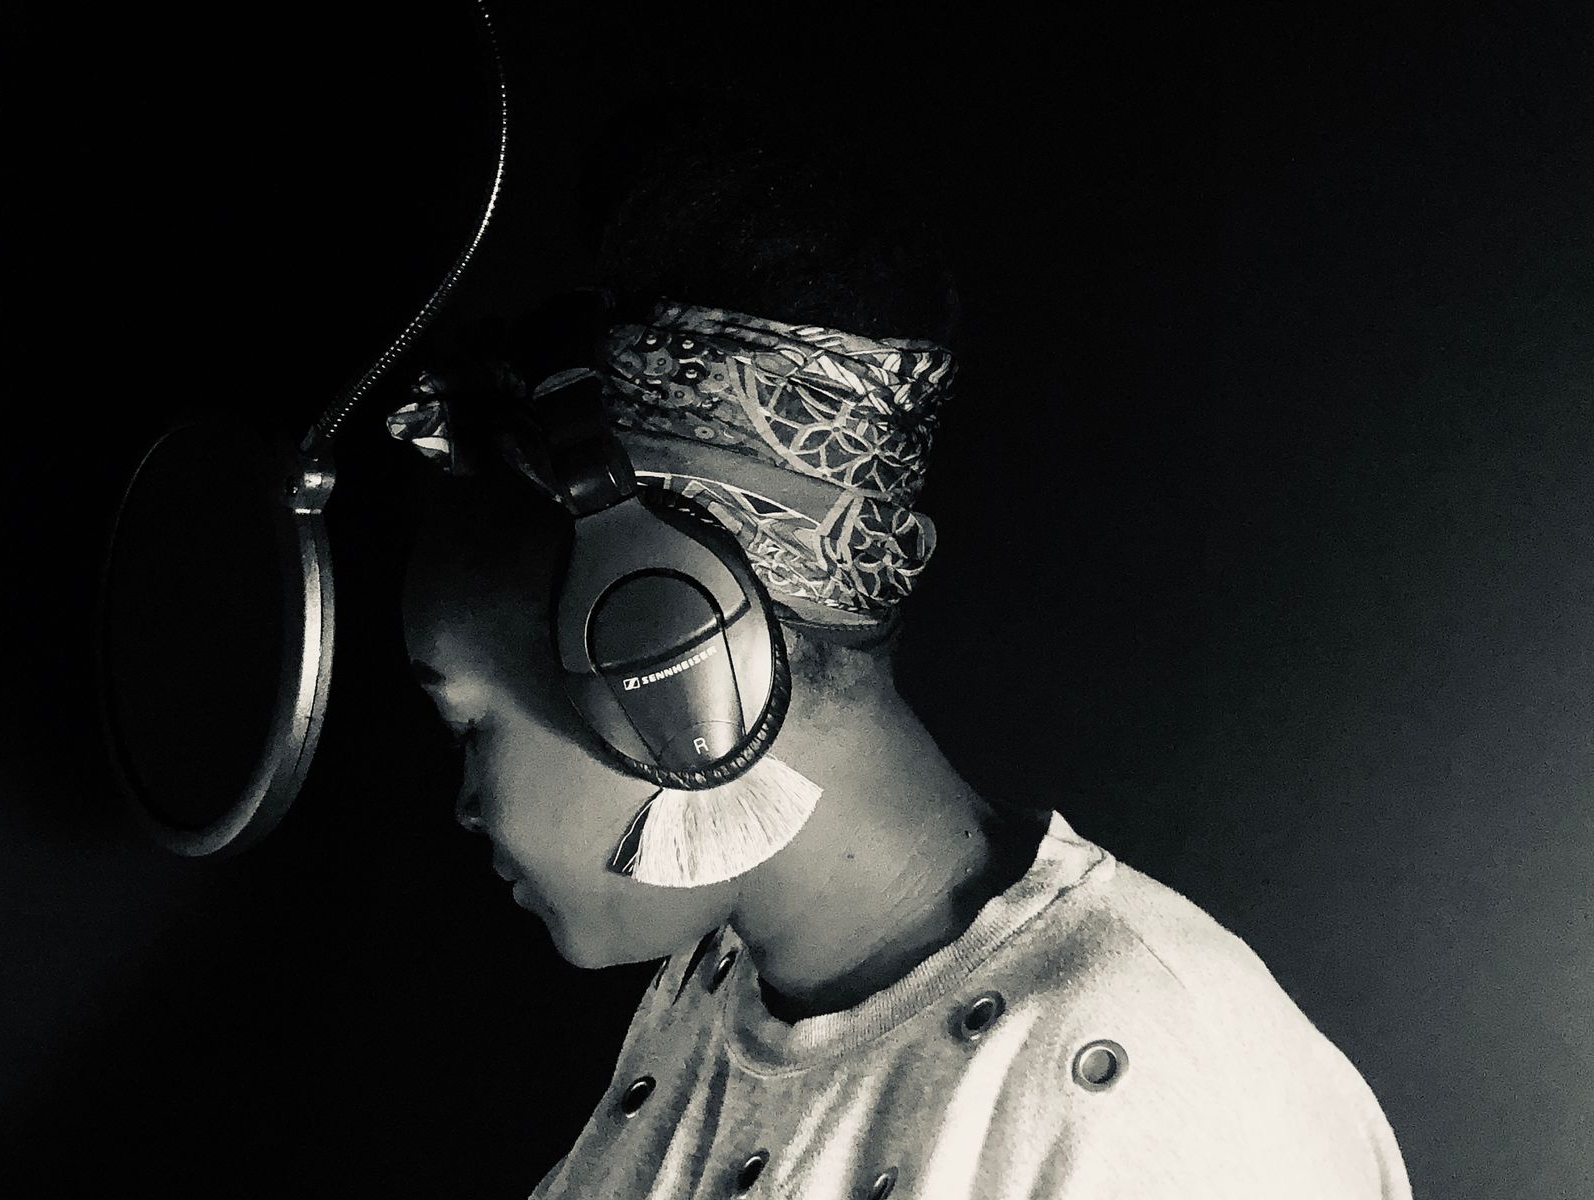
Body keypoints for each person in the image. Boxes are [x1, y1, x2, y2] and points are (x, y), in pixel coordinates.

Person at [390, 98, 1412, 1199]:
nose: (465, 804)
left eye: (465, 722)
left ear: (669, 660)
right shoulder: (705, 1003)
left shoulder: (1159, 1076)